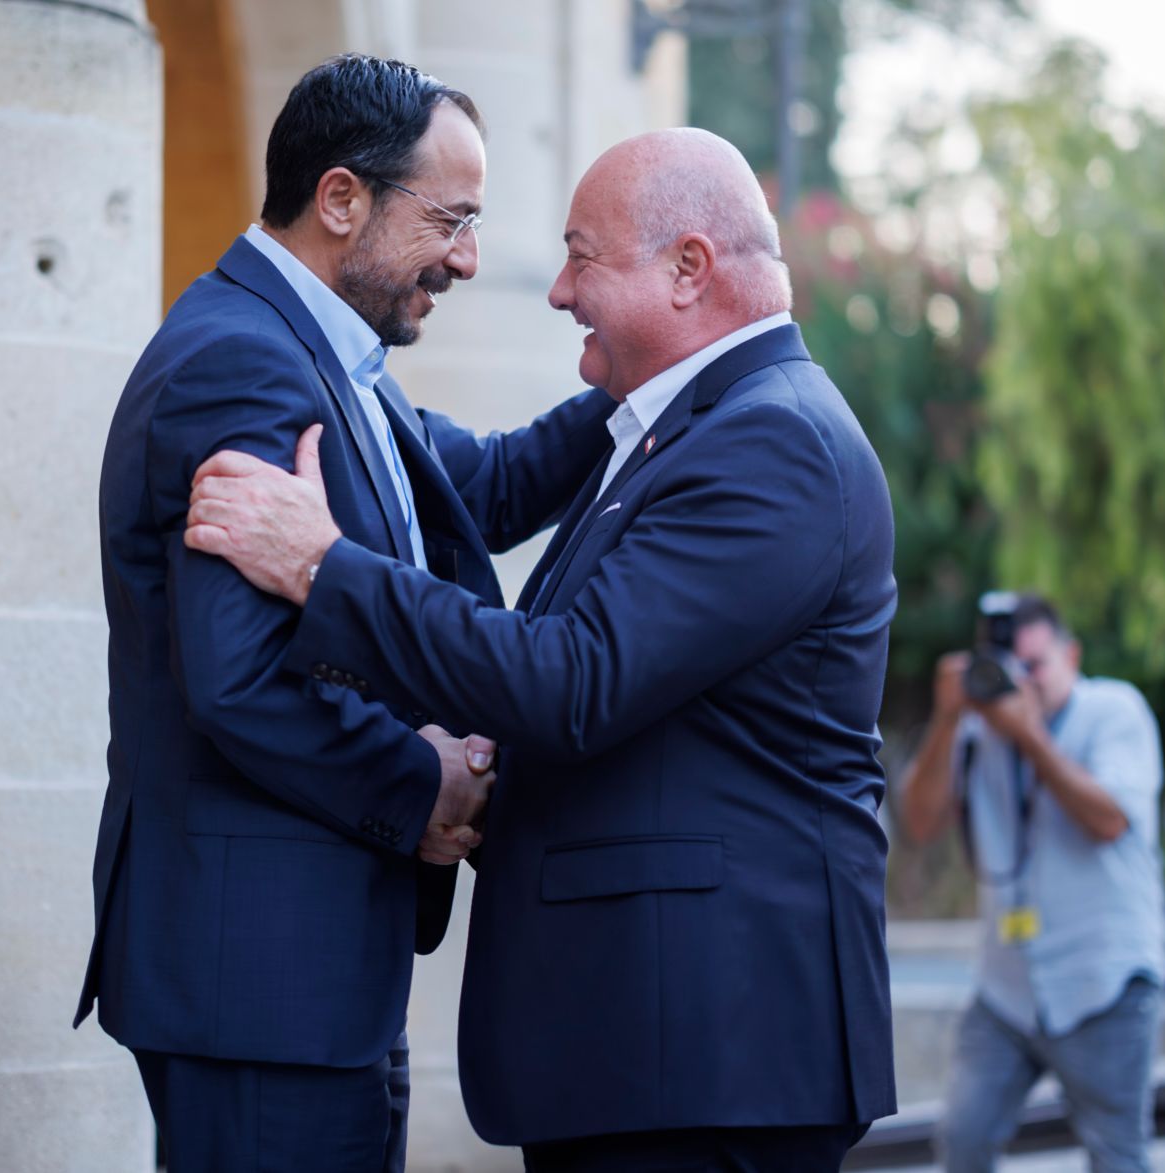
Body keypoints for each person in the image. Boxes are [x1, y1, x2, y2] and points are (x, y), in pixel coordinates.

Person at [183, 127, 897, 1172]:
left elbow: (572, 680)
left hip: (707, 1059)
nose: (557, 291)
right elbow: (516, 510)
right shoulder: (695, 423)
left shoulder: (771, 441)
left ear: (688, 268)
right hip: (660, 1056)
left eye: (580, 257)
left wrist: (321, 567)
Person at [73, 54, 613, 1171]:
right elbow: (238, 680)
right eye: (449, 221)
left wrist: (653, 368)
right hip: (255, 975)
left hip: (303, 973)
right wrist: (424, 785)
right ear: (339, 199)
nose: (467, 258)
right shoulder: (241, 363)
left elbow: (489, 485)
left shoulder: (325, 351)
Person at [897, 596, 1165, 1173]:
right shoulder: (976, 729)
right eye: (1006, 667)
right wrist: (946, 719)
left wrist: (1030, 736)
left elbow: (1108, 821)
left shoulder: (1114, 710)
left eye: (1035, 666)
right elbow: (918, 824)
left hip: (1102, 983)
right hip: (1007, 989)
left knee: (1117, 1157)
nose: (1020, 682)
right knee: (963, 1141)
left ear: (1072, 655)